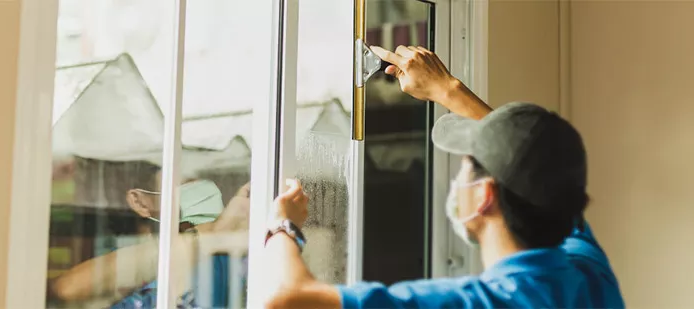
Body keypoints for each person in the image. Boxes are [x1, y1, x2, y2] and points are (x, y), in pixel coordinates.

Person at [257, 45, 625, 309]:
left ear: (484, 195)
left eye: (466, 163)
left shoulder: (472, 303)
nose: (458, 178)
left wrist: (283, 227)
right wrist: (445, 88)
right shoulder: (590, 277)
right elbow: (536, 162)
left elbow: (287, 299)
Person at [50, 166, 250, 308]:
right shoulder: (139, 264)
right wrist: (216, 234)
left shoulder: (228, 258)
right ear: (141, 202)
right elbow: (67, 288)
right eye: (185, 183)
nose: (200, 190)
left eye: (200, 182)